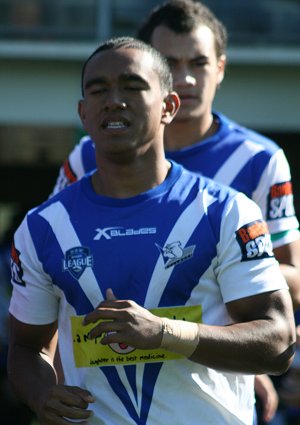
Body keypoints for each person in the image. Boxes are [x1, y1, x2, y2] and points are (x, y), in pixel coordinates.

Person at [7, 35, 296, 425]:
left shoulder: (226, 210)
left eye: (133, 86)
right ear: (83, 113)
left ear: (168, 106)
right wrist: (43, 394)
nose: (114, 100)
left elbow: (278, 342)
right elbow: (26, 347)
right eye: (98, 90)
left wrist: (165, 333)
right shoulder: (43, 226)